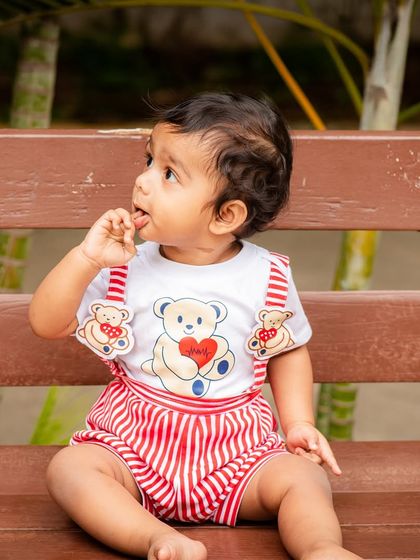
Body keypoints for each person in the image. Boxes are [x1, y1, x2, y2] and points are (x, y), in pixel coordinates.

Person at [29, 92, 361, 560]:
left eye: (168, 174)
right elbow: (47, 323)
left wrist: (299, 423)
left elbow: (285, 350)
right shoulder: (123, 264)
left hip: (237, 454)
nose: (142, 181)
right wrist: (85, 259)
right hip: (133, 447)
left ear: (226, 215)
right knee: (71, 469)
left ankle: (321, 549)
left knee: (303, 479)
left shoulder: (266, 276)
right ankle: (156, 538)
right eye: (149, 160)